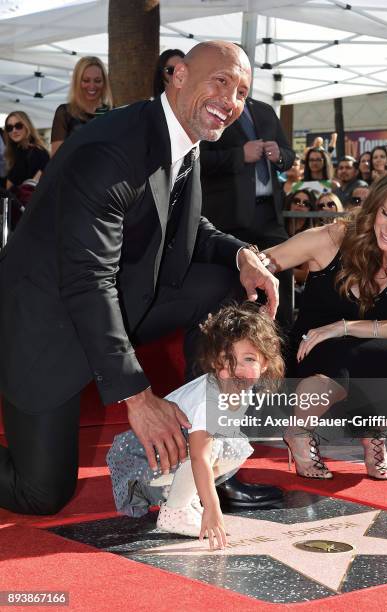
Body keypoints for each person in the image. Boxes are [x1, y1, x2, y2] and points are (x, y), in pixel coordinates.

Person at [0, 41, 282, 516]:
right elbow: (87, 280)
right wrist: (139, 398)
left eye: (241, 91)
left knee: (226, 286)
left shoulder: (183, 139)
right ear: (177, 75)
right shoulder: (112, 148)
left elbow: (191, 228)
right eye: (221, 81)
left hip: (122, 299)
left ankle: (208, 460)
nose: (231, 100)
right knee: (42, 492)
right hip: (45, 320)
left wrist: (242, 257)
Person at [265, 166, 387, 481]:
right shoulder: (332, 238)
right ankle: (298, 430)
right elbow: (261, 263)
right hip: (310, 359)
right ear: (374, 206)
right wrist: (262, 315)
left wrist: (344, 326)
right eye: (386, 214)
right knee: (340, 357)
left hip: (362, 360)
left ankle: (374, 433)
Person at [107, 303, 284, 548]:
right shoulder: (209, 398)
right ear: (214, 362)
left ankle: (180, 497)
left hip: (168, 454)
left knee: (232, 446)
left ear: (265, 362)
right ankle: (175, 511)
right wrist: (213, 508)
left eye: (249, 358)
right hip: (143, 457)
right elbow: (200, 457)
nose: (237, 370)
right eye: (227, 360)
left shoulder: (239, 390)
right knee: (214, 448)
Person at [200, 95, 296, 329]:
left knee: (280, 283)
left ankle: (281, 349)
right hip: (229, 220)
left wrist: (280, 155)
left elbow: (289, 155)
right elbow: (199, 158)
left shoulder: (264, 110)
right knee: (236, 294)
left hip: (269, 216)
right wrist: (239, 155)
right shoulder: (211, 108)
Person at [50, 56, 113, 157]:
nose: (92, 86)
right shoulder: (65, 112)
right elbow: (56, 159)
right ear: (77, 82)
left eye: (97, 81)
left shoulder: (111, 113)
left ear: (104, 83)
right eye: (86, 80)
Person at [3, 111, 50, 219]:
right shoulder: (16, 153)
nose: (14, 130)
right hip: (18, 212)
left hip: (30, 215)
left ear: (27, 126)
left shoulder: (38, 152)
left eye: (18, 126)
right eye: (9, 128)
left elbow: (31, 188)